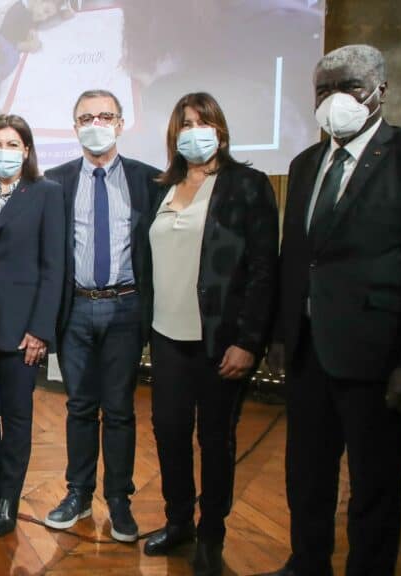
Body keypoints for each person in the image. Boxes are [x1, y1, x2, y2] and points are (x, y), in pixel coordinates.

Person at [261, 44, 401, 576]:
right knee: (306, 475)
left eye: (349, 87)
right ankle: (306, 563)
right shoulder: (305, 164)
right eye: (324, 90)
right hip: (308, 353)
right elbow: (295, 256)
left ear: (380, 91)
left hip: (378, 359)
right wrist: (281, 333)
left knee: (375, 484)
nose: (336, 99)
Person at [140, 93, 278, 576]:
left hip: (222, 339)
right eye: (185, 123)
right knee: (169, 433)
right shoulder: (162, 187)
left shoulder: (247, 185)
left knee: (215, 439)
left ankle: (212, 534)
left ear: (220, 130)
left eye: (203, 122)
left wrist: (250, 342)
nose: (194, 131)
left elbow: (264, 269)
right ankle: (178, 521)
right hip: (166, 335)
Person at [42, 89, 161, 542]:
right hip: (75, 307)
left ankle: (119, 500)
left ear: (121, 123)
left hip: (126, 307)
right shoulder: (55, 181)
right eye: (87, 117)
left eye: (105, 116)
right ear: (74, 127)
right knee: (78, 406)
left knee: (119, 410)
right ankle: (78, 493)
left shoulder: (148, 180)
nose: (97, 124)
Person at [0, 114, 64, 536]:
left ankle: (8, 497)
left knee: (17, 417)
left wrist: (40, 329)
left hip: (23, 329)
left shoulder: (46, 193)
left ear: (26, 150)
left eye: (12, 144)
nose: (3, 152)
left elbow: (53, 267)